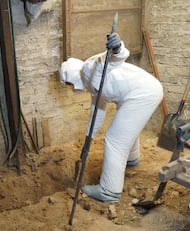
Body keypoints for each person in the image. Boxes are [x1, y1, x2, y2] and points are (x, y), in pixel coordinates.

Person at [59, 33, 164, 203]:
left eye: (68, 84)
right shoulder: (92, 84)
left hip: (142, 93)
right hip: (142, 91)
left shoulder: (89, 69)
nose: (71, 88)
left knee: (115, 139)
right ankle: (131, 159)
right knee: (126, 128)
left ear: (70, 77)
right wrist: (89, 138)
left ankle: (109, 192)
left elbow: (114, 57)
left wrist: (117, 47)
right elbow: (97, 112)